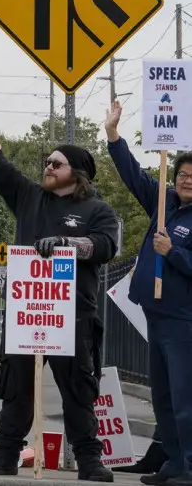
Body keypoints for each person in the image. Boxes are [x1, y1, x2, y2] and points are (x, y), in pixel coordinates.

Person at [0, 95, 118, 482]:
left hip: (73, 316)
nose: (47, 167)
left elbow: (106, 246)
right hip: (28, 313)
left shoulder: (98, 211)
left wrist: (67, 246)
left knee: (79, 391)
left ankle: (88, 460)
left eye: (56, 163)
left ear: (77, 172)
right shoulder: (30, 198)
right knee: (16, 388)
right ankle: (5, 454)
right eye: (46, 162)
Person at [105, 99, 192, 486]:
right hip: (154, 315)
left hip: (183, 320)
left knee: (185, 398)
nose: (187, 180)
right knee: (165, 399)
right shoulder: (164, 202)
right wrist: (113, 135)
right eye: (183, 174)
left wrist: (172, 254)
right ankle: (173, 463)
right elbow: (133, 175)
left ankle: (189, 465)